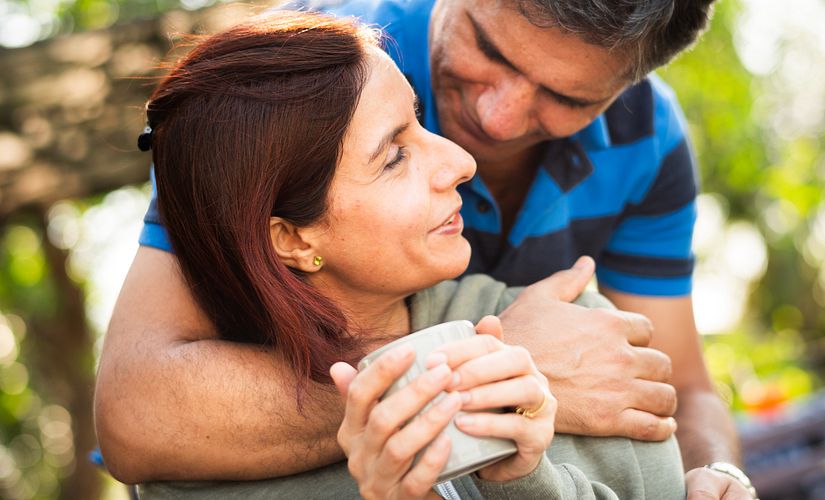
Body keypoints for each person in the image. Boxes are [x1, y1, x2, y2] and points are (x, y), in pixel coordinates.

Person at [97, 0, 755, 498]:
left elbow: (682, 388)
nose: (490, 130)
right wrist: (475, 374)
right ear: (292, 238)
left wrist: (717, 474)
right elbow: (137, 412)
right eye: (489, 48)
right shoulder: (290, 86)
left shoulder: (650, 139)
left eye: (565, 97)